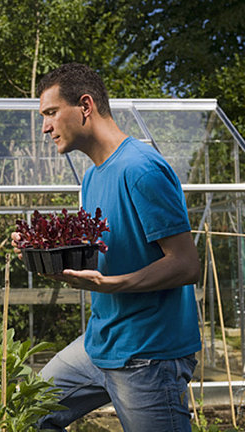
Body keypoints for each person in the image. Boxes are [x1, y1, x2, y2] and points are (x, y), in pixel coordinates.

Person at [11, 63, 201, 432]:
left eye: (51, 113)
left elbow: (186, 264)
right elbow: (102, 251)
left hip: (148, 354)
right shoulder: (93, 176)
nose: (45, 127)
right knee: (26, 410)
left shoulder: (140, 169)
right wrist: (41, 249)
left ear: (85, 106)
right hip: (101, 341)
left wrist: (112, 285)